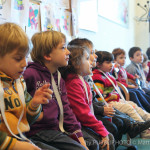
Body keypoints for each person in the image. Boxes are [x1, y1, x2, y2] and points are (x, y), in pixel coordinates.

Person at [67, 39, 150, 150]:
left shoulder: (85, 78)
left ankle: (134, 125)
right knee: (115, 124)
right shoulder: (79, 81)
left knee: (127, 108)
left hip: (99, 107)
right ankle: (135, 129)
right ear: (76, 60)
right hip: (93, 112)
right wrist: (102, 110)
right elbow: (86, 108)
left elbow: (92, 102)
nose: (95, 57)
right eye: (90, 54)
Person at [23, 31, 89, 150]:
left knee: (88, 145)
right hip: (36, 132)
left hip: (54, 129)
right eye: (63, 48)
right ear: (47, 56)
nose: (68, 52)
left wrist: (79, 135)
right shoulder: (29, 74)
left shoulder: (58, 77)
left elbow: (66, 108)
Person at [0, 23, 53, 150]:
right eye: (18, 59)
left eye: (26, 57)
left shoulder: (18, 83)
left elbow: (27, 120)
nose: (25, 64)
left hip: (21, 138)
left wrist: (34, 104)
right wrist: (14, 145)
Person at [61, 45, 115, 150]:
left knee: (110, 136)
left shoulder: (81, 80)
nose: (91, 61)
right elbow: (83, 113)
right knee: (96, 142)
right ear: (76, 63)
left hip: (82, 122)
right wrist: (101, 130)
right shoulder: (73, 83)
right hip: (75, 125)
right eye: (86, 58)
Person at [92, 51, 150, 139]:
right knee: (129, 108)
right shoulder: (97, 77)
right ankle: (145, 131)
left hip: (114, 100)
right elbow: (100, 98)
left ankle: (148, 119)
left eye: (112, 62)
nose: (111, 65)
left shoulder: (106, 74)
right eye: (108, 62)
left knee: (133, 104)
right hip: (108, 103)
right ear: (98, 64)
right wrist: (114, 97)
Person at [112, 48, 150, 112]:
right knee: (134, 93)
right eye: (121, 58)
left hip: (125, 87)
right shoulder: (115, 70)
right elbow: (118, 82)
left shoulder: (122, 68)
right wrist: (128, 86)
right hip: (121, 89)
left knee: (138, 90)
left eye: (124, 58)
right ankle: (143, 110)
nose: (124, 60)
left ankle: (147, 108)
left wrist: (133, 78)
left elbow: (128, 75)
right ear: (115, 60)